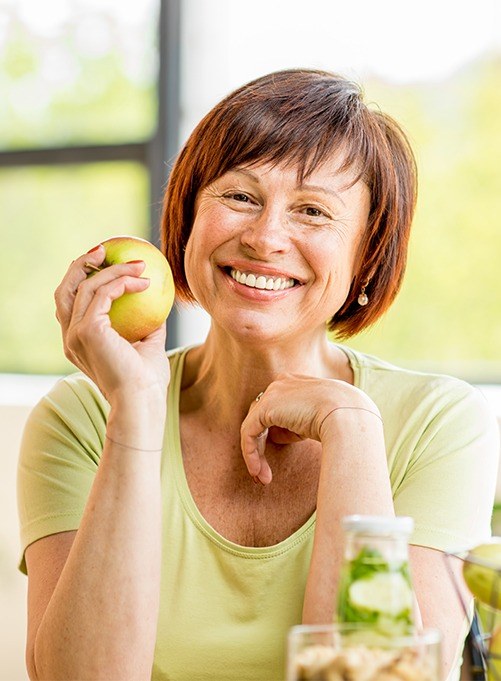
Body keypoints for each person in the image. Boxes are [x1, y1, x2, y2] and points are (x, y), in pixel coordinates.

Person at [18, 69, 499, 681]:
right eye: (240, 196)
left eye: (313, 211)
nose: (266, 237)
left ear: (366, 254)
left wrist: (350, 428)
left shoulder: (438, 424)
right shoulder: (82, 419)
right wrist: (136, 412)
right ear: (188, 215)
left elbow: (376, 676)